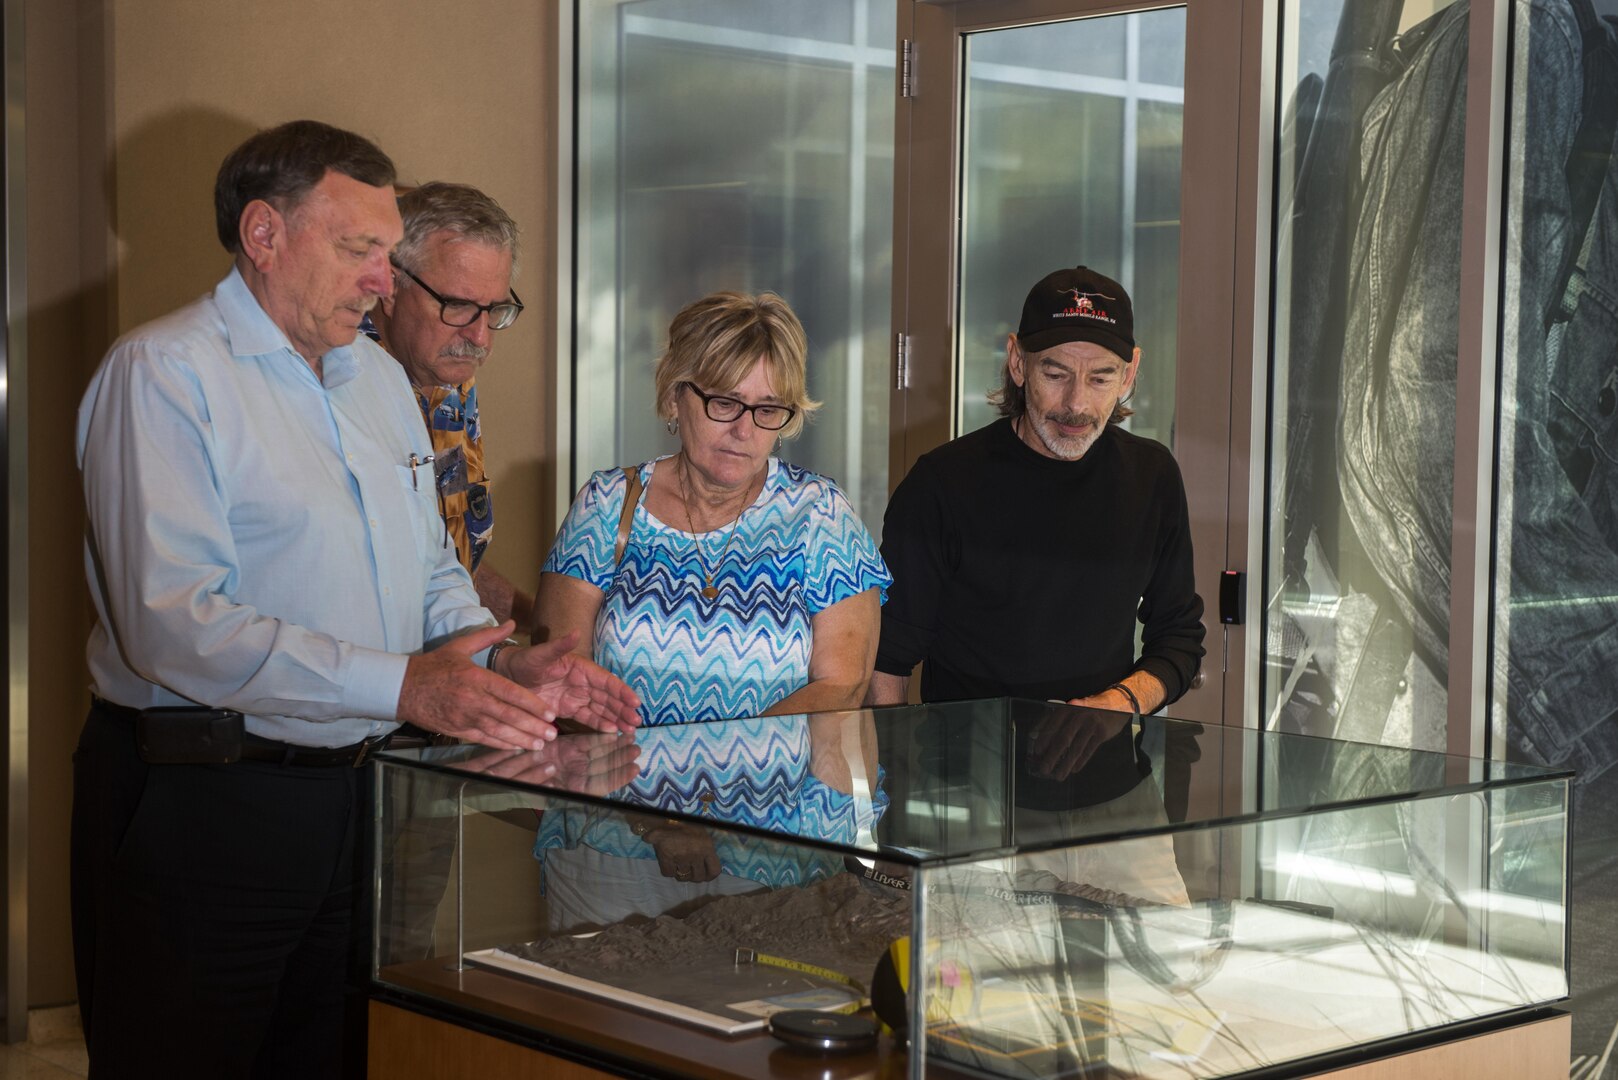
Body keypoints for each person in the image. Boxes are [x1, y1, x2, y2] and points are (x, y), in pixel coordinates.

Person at [71, 120, 640, 1079]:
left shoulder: (374, 378)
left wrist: (497, 659)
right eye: (360, 249)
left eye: (387, 253)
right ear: (263, 234)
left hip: (353, 801)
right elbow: (175, 626)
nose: (384, 280)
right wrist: (410, 689)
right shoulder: (164, 374)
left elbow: (425, 568)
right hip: (203, 797)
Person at [532, 290, 891, 928]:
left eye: (768, 408)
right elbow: (562, 674)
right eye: (724, 401)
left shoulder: (820, 515)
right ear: (676, 397)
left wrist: (702, 811)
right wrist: (658, 818)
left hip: (775, 843)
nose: (744, 429)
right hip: (615, 837)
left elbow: (842, 683)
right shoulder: (608, 504)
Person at [868, 265, 1205, 726]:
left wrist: (1120, 702)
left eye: (1101, 378)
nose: (1076, 404)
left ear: (1130, 375)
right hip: (970, 781)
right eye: (1056, 372)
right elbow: (887, 658)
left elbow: (1179, 637)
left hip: (1110, 781)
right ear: (1018, 362)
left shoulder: (1153, 477)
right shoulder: (942, 484)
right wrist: (891, 776)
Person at [367, 181, 534, 629]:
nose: (479, 338)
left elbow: (449, 563)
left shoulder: (447, 376)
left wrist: (538, 626)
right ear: (389, 285)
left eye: (494, 310)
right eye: (457, 306)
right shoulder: (335, 382)